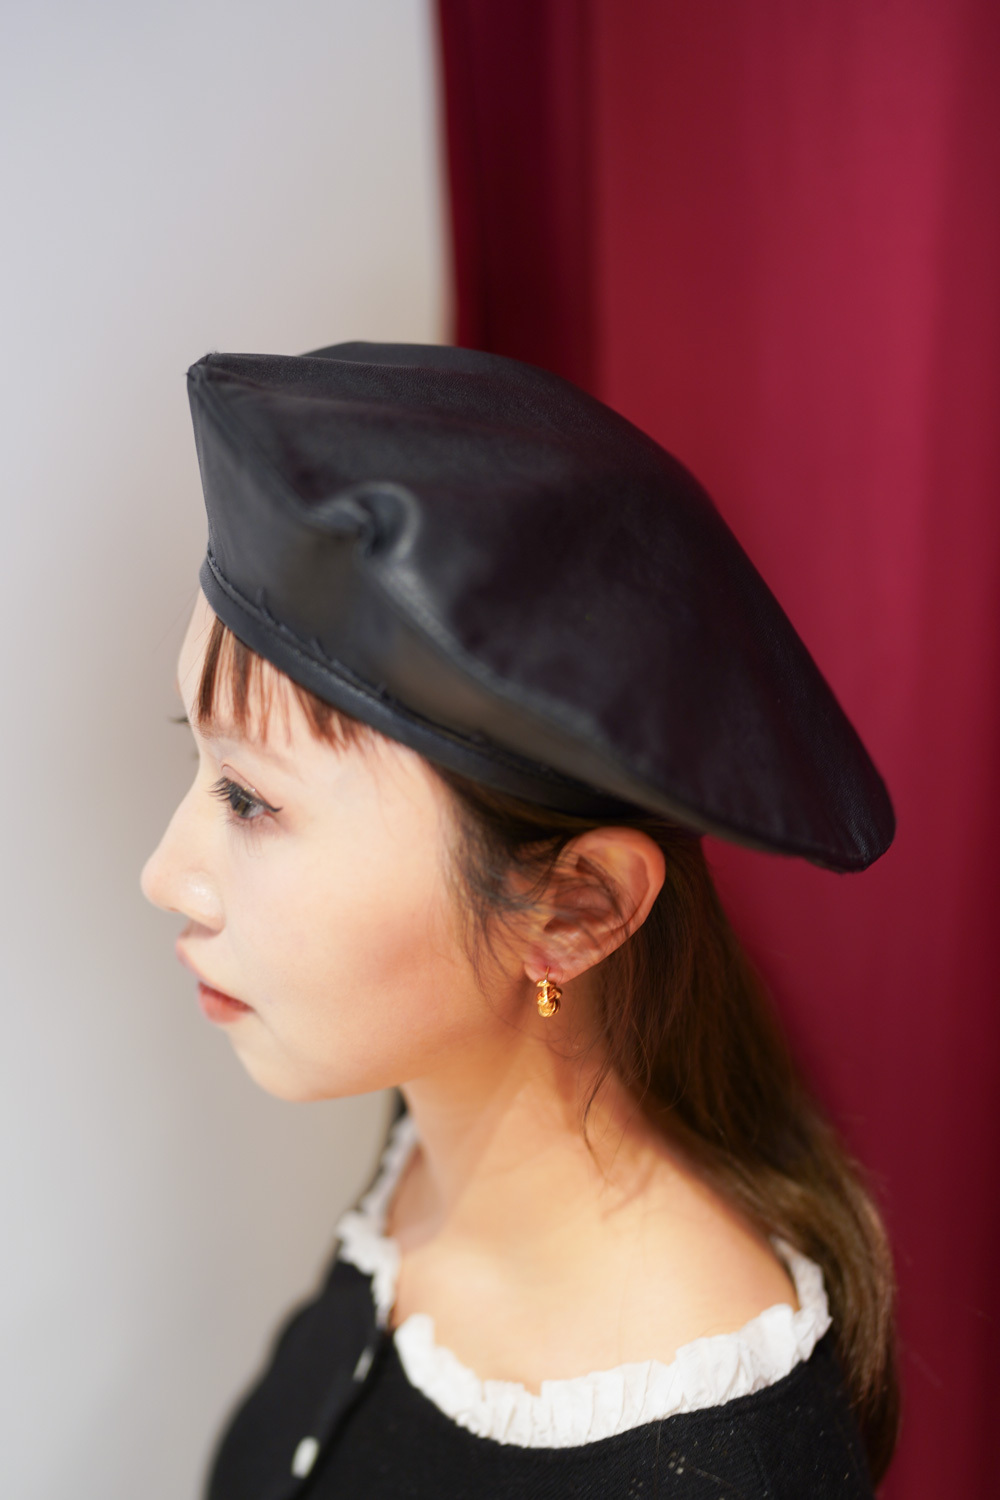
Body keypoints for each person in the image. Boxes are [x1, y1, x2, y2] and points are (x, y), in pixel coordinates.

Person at [142, 342, 897, 1498]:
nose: (166, 875)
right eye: (197, 765)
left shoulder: (711, 1464)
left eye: (249, 798)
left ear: (575, 909)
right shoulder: (427, 1141)